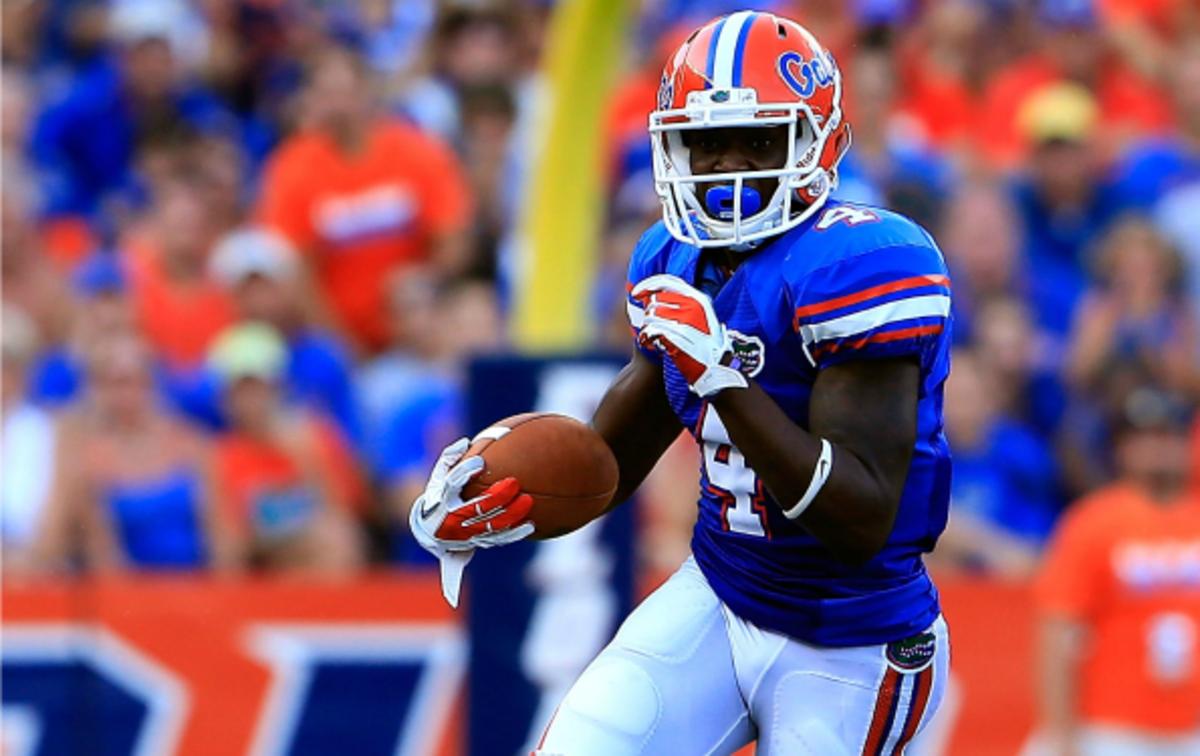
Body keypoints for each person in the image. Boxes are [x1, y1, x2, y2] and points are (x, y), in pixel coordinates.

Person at [410, 12, 952, 753]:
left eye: (758, 141)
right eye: (707, 144)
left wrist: (723, 380)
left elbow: (859, 521)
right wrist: (498, 503)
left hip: (852, 637)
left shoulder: (860, 264)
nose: (729, 168)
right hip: (722, 597)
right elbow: (606, 463)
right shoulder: (672, 257)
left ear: (815, 141)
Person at [1033, 386, 1200, 756]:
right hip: (1112, 725)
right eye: (1144, 438)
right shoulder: (1093, 523)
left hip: (1191, 724)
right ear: (1122, 448)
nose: (1159, 448)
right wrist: (1061, 731)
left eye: (1169, 436)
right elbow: (1058, 628)